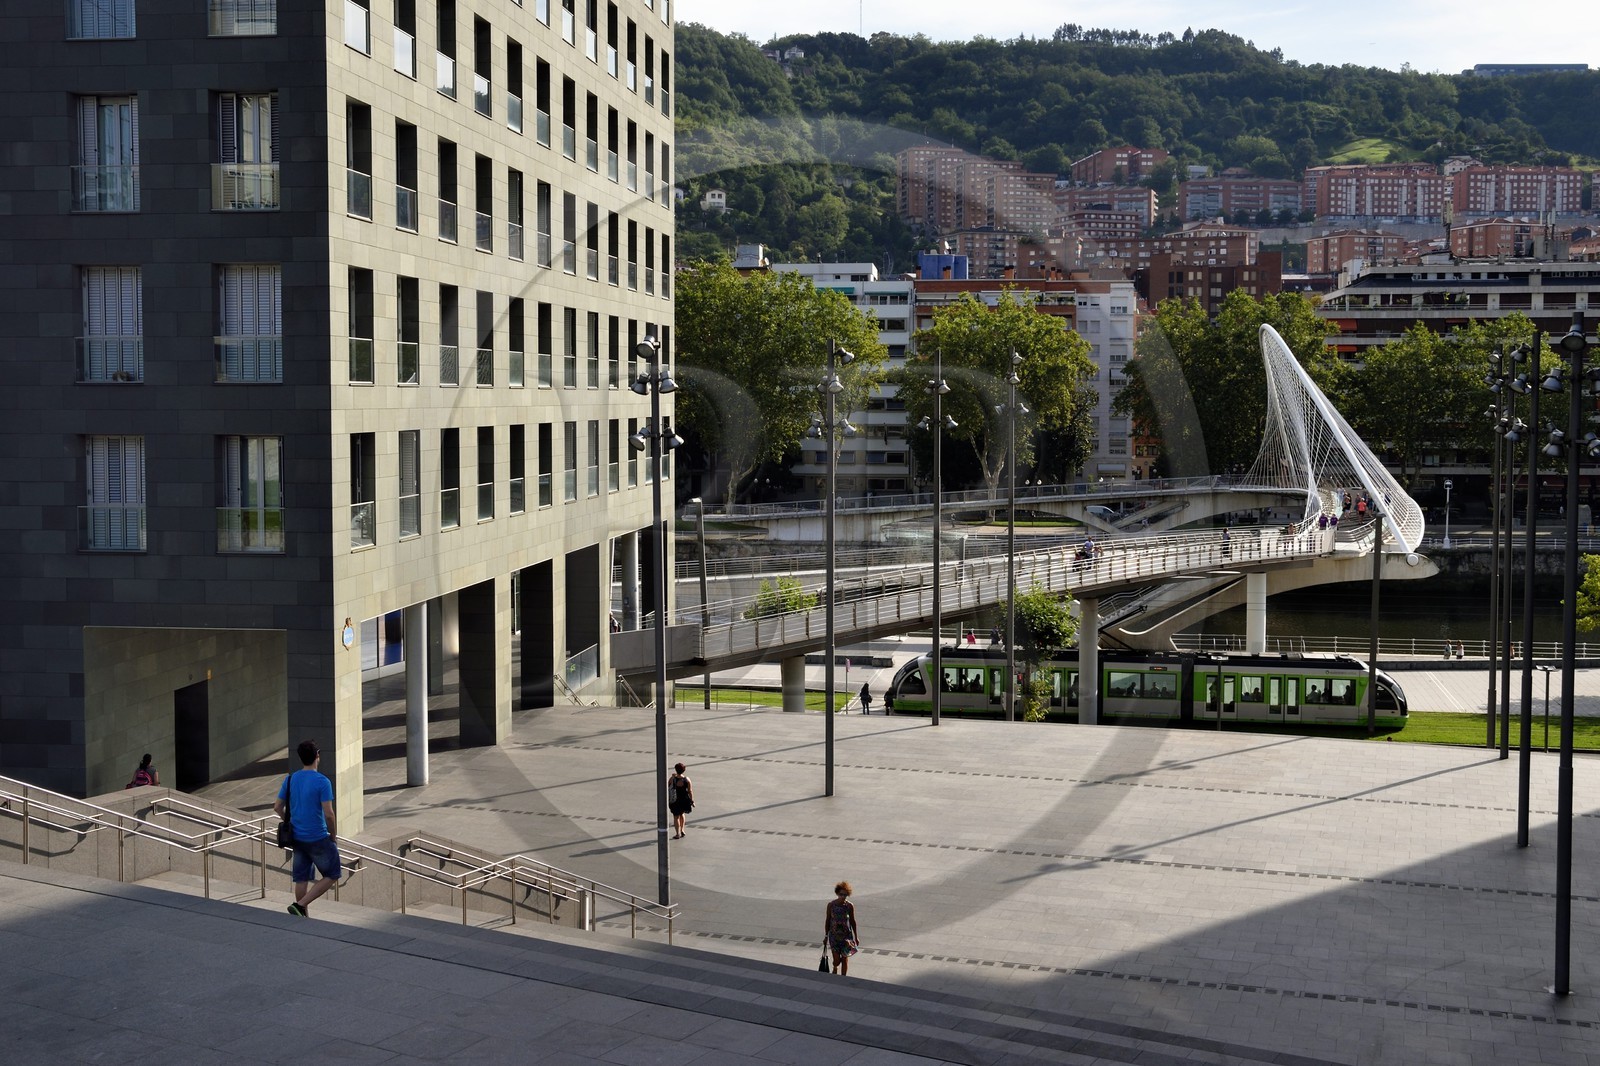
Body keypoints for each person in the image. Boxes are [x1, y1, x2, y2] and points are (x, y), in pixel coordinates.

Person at [275, 740, 341, 918]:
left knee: (301, 877)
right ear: (317, 756)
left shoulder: (290, 779)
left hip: (297, 837)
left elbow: (277, 807)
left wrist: (288, 822)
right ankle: (301, 904)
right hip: (317, 837)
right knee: (333, 873)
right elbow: (329, 814)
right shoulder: (323, 782)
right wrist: (333, 836)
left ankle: (303, 915)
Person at [824, 881, 860, 975]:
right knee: (837, 960)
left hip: (846, 936)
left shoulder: (849, 906)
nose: (843, 897)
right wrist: (826, 935)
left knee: (844, 959)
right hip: (834, 936)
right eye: (841, 894)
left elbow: (853, 921)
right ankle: (835, 966)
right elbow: (828, 920)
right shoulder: (831, 905)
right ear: (837, 893)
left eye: (845, 895)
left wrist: (856, 937)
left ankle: (843, 978)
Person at [668, 762, 694, 839]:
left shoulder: (672, 779)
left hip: (675, 800)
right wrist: (692, 800)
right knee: (682, 814)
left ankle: (677, 833)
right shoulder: (687, 779)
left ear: (676, 770)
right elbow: (690, 791)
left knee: (676, 817)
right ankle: (682, 830)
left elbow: (668, 786)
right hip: (684, 800)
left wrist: (672, 777)